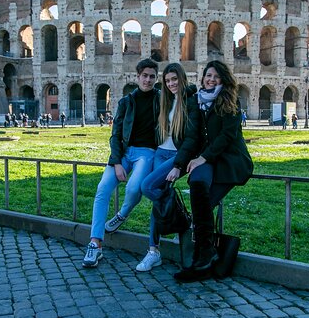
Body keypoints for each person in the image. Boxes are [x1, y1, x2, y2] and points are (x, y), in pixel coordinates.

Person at [174, 60, 253, 282]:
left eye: (216, 77)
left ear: (223, 80)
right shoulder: (198, 100)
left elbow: (226, 137)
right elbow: (195, 134)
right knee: (197, 186)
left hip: (228, 159)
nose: (211, 80)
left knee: (203, 206)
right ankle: (205, 256)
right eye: (208, 75)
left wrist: (202, 157)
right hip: (208, 159)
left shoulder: (230, 101)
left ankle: (202, 258)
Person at [82, 59, 160, 268]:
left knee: (135, 188)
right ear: (137, 77)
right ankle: (95, 243)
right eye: (145, 75)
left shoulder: (161, 99)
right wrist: (116, 162)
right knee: (102, 189)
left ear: (156, 78)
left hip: (147, 153)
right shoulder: (127, 102)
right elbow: (115, 134)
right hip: (124, 153)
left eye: (152, 76)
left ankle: (121, 215)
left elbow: (183, 90)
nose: (148, 80)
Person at [137, 63, 201, 272]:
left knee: (147, 187)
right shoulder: (164, 99)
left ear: (182, 79)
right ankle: (153, 251)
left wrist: (178, 164)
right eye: (168, 81)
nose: (172, 84)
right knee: (159, 201)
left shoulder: (191, 101)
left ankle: (181, 219)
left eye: (175, 79)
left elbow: (192, 137)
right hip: (160, 153)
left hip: (176, 156)